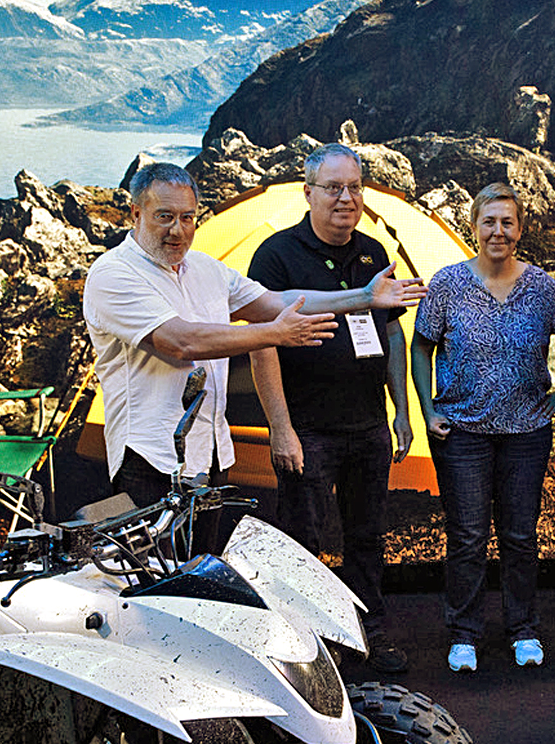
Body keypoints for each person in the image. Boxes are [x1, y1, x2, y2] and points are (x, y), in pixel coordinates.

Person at [83, 161, 425, 529]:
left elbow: (278, 301)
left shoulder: (206, 269)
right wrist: (274, 334)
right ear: (136, 213)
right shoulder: (113, 274)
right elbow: (182, 341)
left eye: (188, 218)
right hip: (149, 458)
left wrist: (363, 296)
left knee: (203, 560)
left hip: (210, 454)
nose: (178, 230)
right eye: (164, 217)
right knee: (155, 563)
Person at [247, 143, 414, 675]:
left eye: (355, 187)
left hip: (368, 427)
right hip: (308, 431)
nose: (347, 198)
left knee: (367, 539)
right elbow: (261, 345)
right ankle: (306, 649)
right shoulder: (276, 256)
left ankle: (368, 635)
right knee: (303, 543)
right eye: (334, 188)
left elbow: (393, 335)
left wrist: (402, 410)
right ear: (309, 193)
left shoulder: (373, 252)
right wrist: (281, 429)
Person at [411, 182, 555, 673]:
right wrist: (427, 408)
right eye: (489, 222)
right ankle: (465, 634)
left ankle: (523, 629)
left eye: (507, 222)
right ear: (474, 227)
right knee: (467, 537)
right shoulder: (447, 284)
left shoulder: (543, 287)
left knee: (520, 536)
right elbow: (421, 346)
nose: (498, 231)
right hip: (463, 431)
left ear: (520, 229)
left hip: (527, 431)